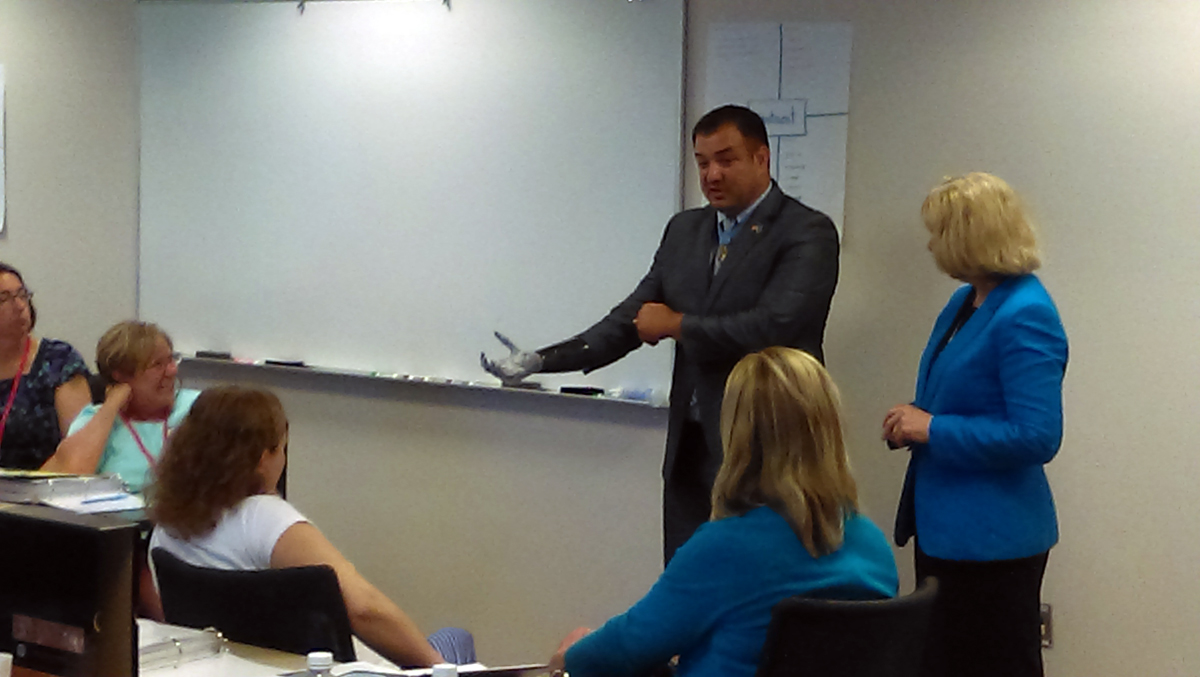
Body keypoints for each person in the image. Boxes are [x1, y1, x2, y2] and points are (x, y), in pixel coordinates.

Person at [481, 105, 839, 563]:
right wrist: (543, 360)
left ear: (762, 159)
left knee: (755, 589)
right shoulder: (684, 230)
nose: (711, 173)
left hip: (767, 447)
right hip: (692, 448)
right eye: (702, 161)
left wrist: (677, 325)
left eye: (726, 159)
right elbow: (632, 318)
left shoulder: (807, 231)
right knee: (687, 583)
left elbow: (776, 326)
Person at [550, 347, 897, 677]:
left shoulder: (726, 548)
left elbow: (626, 648)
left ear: (739, 434)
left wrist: (572, 654)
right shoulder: (873, 545)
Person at [881, 172, 1068, 677]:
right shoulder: (966, 301)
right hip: (946, 531)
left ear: (968, 237)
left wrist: (932, 429)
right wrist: (912, 421)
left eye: (939, 232)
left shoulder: (1026, 313)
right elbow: (954, 397)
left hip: (994, 541)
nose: (930, 244)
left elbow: (1037, 435)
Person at [148, 386, 474, 668]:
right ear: (263, 457)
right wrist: (441, 669)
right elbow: (365, 610)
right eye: (281, 448)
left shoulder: (166, 529)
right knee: (454, 640)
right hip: (332, 669)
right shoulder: (264, 519)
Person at [41, 321, 200, 493]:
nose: (171, 371)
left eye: (171, 360)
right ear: (121, 376)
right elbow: (69, 480)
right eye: (157, 365)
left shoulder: (198, 408)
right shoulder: (96, 420)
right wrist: (112, 404)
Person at [0, 263, 93, 470]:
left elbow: (80, 447)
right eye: (4, 299)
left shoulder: (58, 360)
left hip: (45, 490)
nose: (19, 306)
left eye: (22, 295)